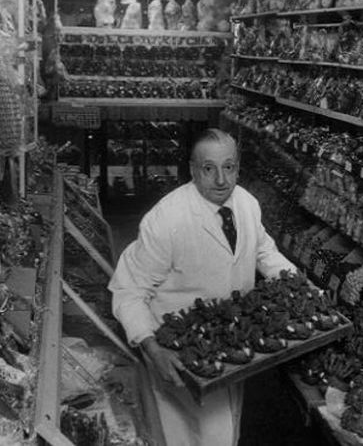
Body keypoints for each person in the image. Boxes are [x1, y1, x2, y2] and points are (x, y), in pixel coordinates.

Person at [109, 128, 297, 446]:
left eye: (229, 167)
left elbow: (266, 253)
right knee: (194, 434)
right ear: (193, 169)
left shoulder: (247, 204)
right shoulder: (167, 219)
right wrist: (152, 349)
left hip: (230, 340)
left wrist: (300, 285)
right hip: (181, 352)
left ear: (238, 167)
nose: (221, 180)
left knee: (225, 426)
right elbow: (130, 290)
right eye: (209, 168)